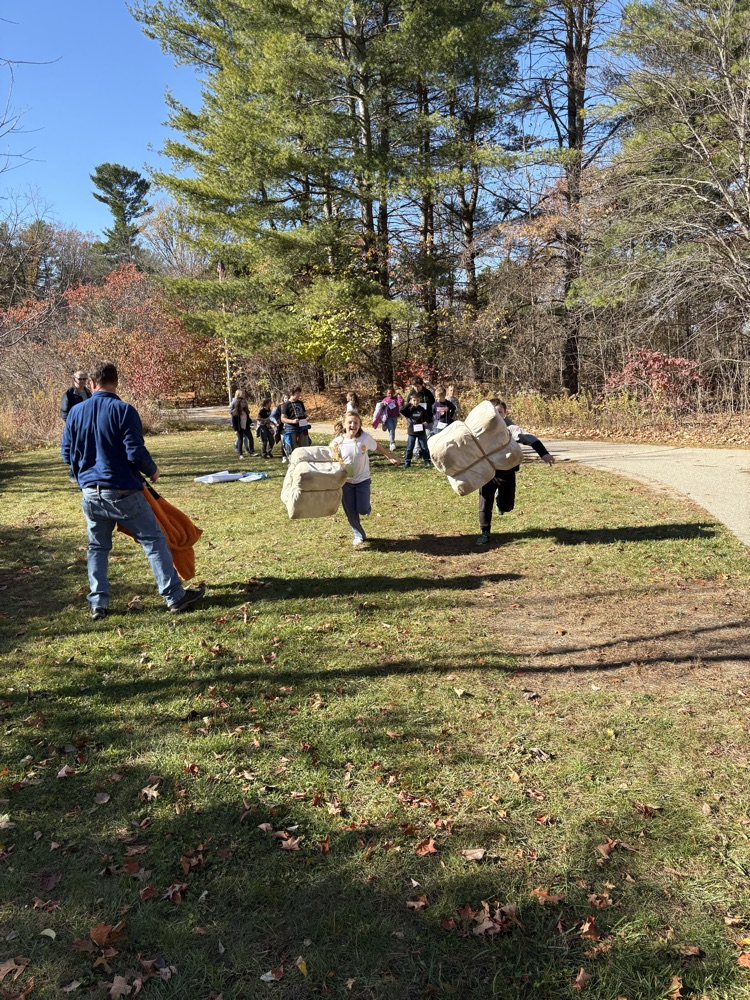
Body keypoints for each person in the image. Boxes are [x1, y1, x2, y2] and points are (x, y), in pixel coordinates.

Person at [61, 361, 205, 619]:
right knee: (154, 540)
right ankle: (174, 596)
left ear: (93, 383)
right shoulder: (123, 410)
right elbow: (134, 451)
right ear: (116, 382)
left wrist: (81, 475)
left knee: (97, 547)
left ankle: (98, 603)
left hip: (91, 493)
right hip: (123, 491)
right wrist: (152, 471)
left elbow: (66, 453)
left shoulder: (75, 412)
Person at [476, 398, 554, 546]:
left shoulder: (511, 429)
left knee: (507, 506)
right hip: (487, 472)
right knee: (485, 502)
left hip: (507, 472)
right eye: (494, 412)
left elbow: (530, 438)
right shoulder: (480, 429)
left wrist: (544, 454)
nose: (497, 415)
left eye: (500, 412)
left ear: (505, 414)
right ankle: (484, 532)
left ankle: (501, 502)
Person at [330, 411, 400, 546]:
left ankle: (365, 507)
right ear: (344, 424)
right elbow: (331, 458)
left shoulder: (365, 438)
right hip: (346, 482)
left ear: (360, 425)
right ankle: (358, 534)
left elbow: (377, 446)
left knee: (362, 509)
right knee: (351, 511)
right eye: (350, 422)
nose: (353, 425)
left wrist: (389, 456)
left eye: (356, 423)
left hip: (362, 480)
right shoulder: (337, 442)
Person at [400, 392, 431, 468]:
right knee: (409, 448)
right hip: (412, 432)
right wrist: (408, 404)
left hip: (421, 432)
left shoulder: (422, 409)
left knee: (424, 447)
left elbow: (427, 418)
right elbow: (401, 410)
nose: (416, 402)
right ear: (411, 400)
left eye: (417, 400)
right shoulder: (409, 410)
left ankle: (427, 460)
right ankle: (407, 462)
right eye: (414, 400)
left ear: (420, 400)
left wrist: (426, 422)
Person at [280, 387, 311, 460]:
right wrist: (292, 421)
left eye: (299, 394)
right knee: (294, 450)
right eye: (297, 394)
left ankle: (305, 463)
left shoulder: (300, 403)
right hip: (292, 429)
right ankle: (294, 463)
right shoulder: (286, 405)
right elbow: (283, 418)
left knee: (305, 448)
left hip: (303, 427)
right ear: (291, 394)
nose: (298, 396)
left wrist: (307, 418)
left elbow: (304, 414)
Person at [372, 386, 403, 452]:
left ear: (394, 393)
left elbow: (400, 404)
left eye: (392, 393)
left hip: (394, 417)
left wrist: (399, 397)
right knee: (391, 430)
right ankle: (392, 443)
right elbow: (380, 408)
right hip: (388, 417)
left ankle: (390, 436)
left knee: (393, 430)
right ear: (386, 393)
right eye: (389, 393)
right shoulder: (385, 400)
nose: (390, 395)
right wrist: (384, 405)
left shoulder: (395, 399)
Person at [229, 390, 255, 457]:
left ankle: (252, 451)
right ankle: (240, 453)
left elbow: (248, 419)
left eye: (244, 403)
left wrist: (251, 423)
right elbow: (234, 422)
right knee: (240, 440)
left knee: (251, 438)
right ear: (239, 403)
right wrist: (235, 430)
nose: (243, 404)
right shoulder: (235, 412)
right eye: (242, 403)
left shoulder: (245, 411)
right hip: (239, 428)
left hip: (246, 427)